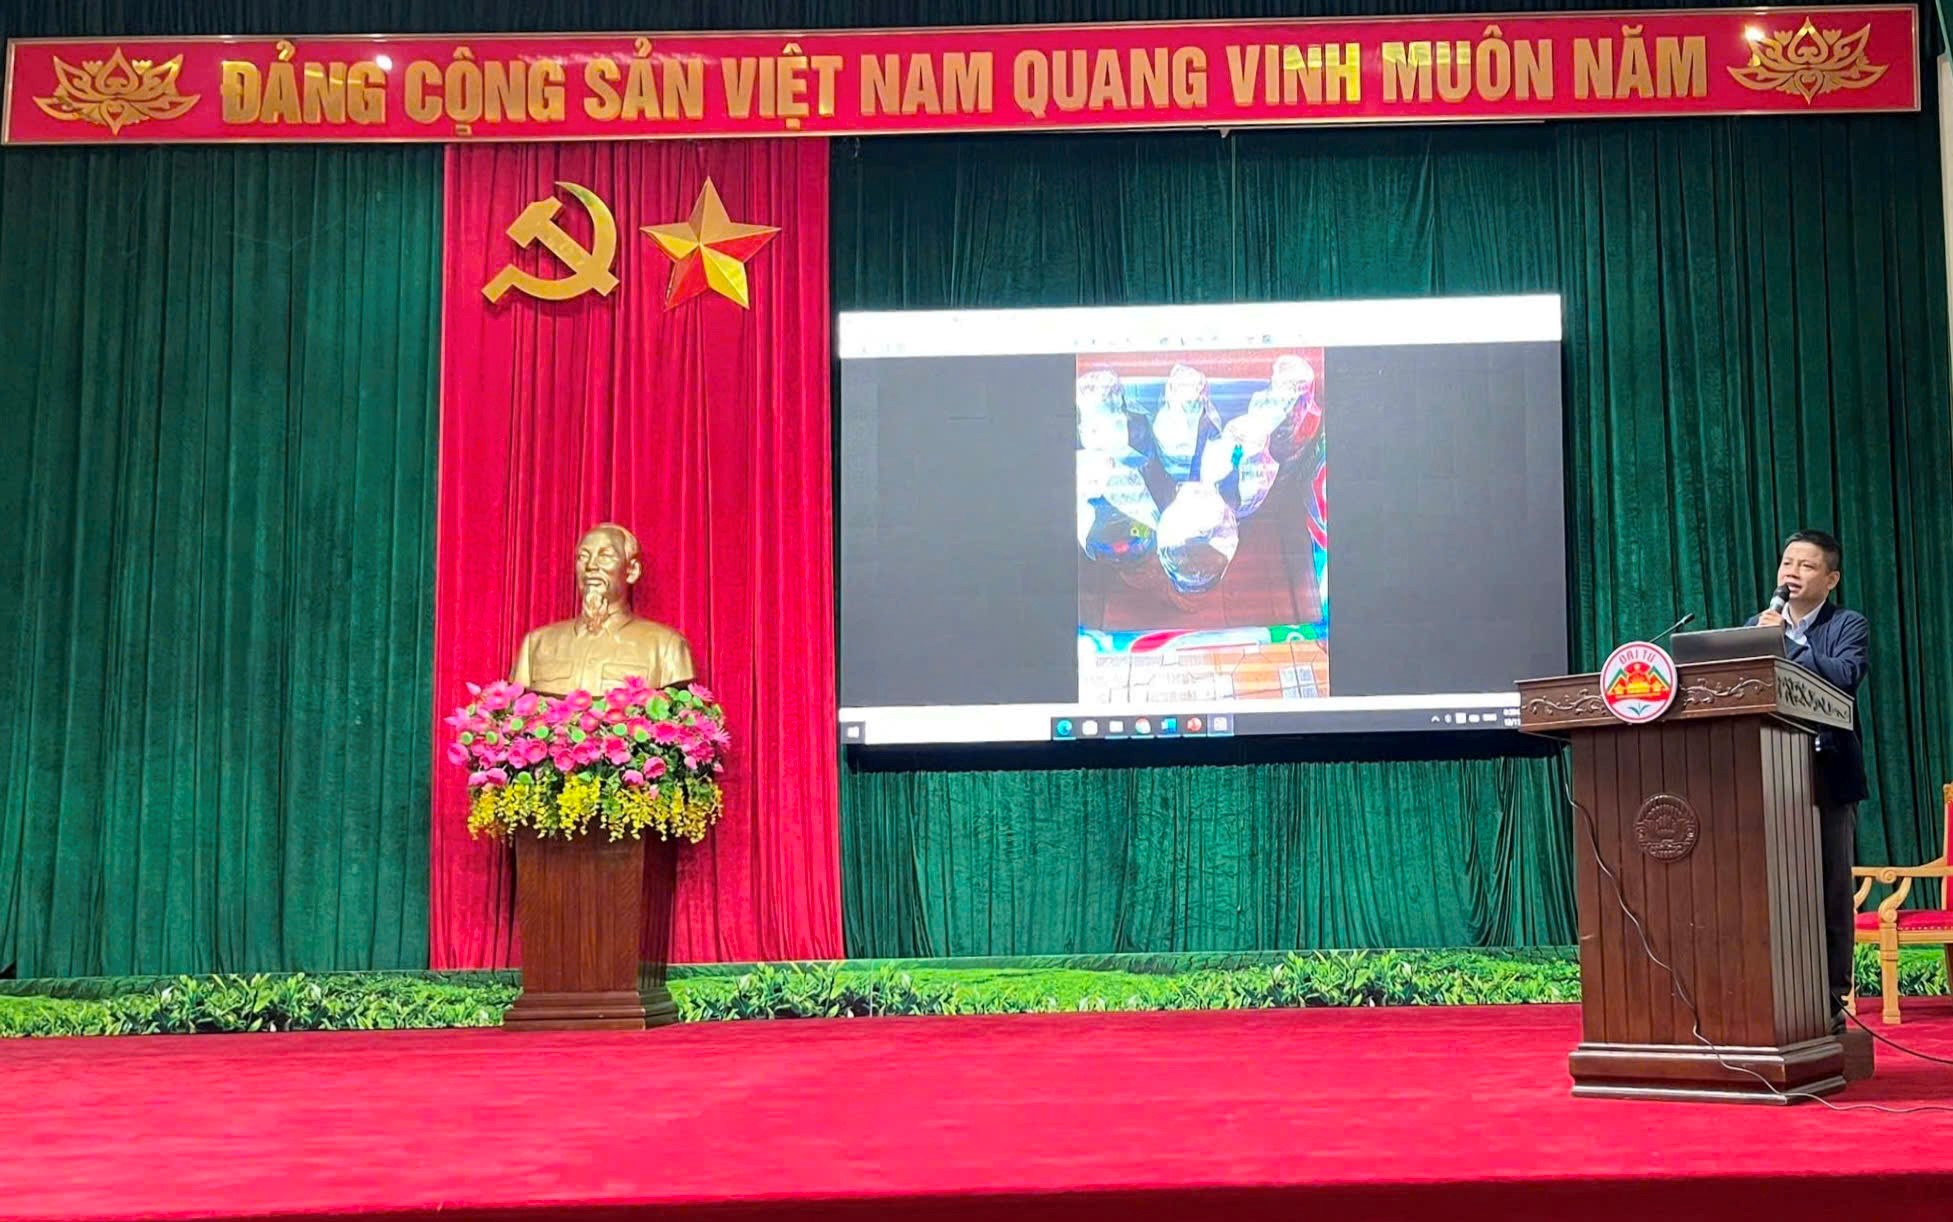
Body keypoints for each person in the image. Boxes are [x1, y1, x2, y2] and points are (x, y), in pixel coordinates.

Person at [1750, 529, 1868, 1027]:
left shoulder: (1847, 624)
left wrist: (1787, 642)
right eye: (1787, 563)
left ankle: (1831, 1002)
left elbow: (1844, 677)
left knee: (1829, 890)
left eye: (1806, 565)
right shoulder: (1757, 626)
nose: (1792, 573)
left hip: (1827, 775)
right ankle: (1773, 1000)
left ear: (1831, 578)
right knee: (1769, 892)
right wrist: (1764, 637)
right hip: (1765, 777)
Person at [510, 522, 696, 696]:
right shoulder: (536, 643)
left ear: (632, 571)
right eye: (583, 557)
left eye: (605, 556)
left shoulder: (666, 646)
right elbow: (514, 709)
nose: (591, 566)